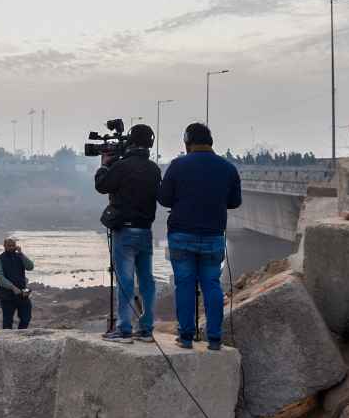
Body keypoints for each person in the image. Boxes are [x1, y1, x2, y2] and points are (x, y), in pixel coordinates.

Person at [157, 123, 241, 350]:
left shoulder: (177, 166)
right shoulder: (228, 168)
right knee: (212, 285)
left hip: (182, 235)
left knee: (184, 285)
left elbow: (164, 199)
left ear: (187, 142)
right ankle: (214, 338)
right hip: (213, 236)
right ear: (210, 142)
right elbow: (234, 202)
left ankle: (185, 337)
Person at [94, 124, 161, 344]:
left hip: (125, 231)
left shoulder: (122, 166)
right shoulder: (154, 169)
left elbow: (102, 186)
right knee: (147, 281)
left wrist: (104, 166)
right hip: (145, 231)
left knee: (125, 281)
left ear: (130, 142)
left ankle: (123, 329)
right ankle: (146, 328)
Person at [0, 237, 35, 329]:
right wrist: (12, 287)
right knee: (8, 321)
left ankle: (19, 337)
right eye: (9, 246)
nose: (11, 248)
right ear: (4, 246)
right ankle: (6, 341)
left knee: (26, 318)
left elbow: (30, 267)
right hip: (7, 296)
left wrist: (21, 254)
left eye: (13, 246)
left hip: (22, 294)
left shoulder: (19, 257)